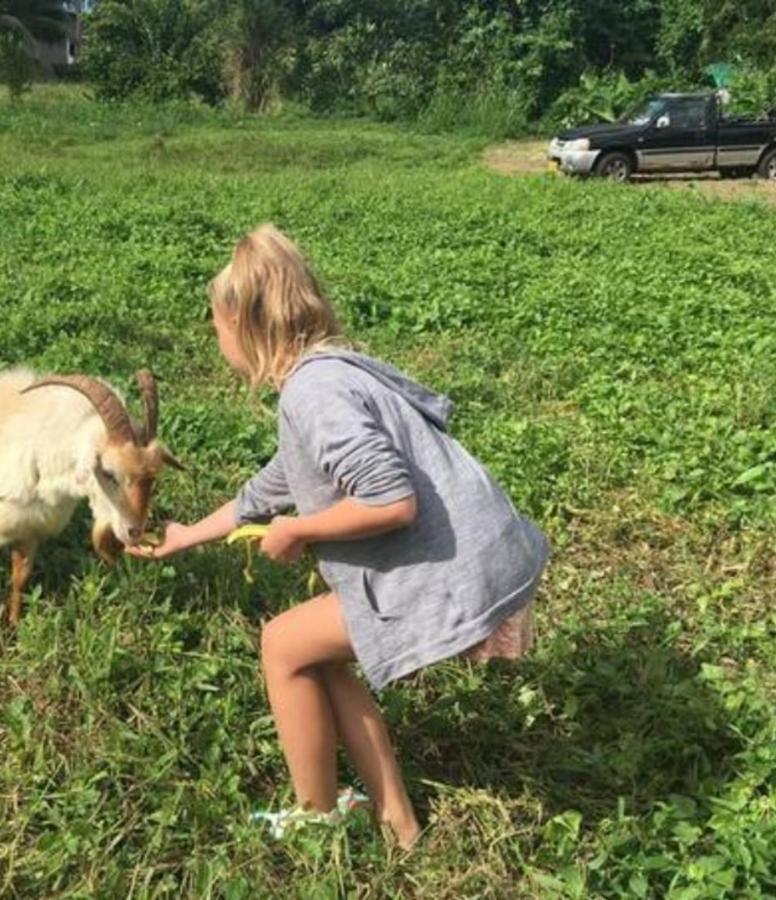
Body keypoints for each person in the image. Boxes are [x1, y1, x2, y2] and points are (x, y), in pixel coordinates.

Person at [128, 224, 550, 849]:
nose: (215, 339)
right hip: (482, 551)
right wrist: (188, 535)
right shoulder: (328, 370)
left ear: (245, 323)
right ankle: (398, 824)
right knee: (312, 653)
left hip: (451, 573)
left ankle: (316, 814)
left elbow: (391, 500)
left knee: (280, 643)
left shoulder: (312, 391)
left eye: (216, 325)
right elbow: (274, 485)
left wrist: (299, 529)